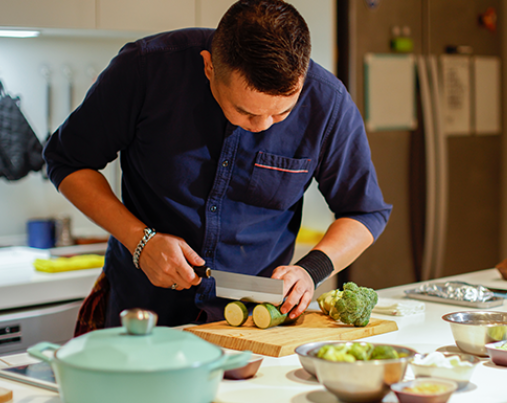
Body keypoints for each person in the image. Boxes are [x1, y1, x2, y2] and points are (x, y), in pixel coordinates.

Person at [43, 0, 392, 332]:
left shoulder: (327, 102)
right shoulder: (146, 69)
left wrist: (311, 270)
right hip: (142, 312)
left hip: (255, 324)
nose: (263, 126)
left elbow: (365, 213)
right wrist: (140, 241)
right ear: (209, 67)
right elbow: (67, 160)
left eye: (282, 112)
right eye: (245, 112)